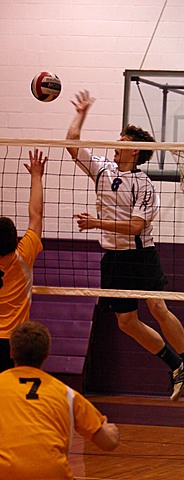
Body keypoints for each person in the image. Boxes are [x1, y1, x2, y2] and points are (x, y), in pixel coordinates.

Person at [66, 90, 184, 402]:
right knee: (127, 322)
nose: (118, 144)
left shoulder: (144, 185)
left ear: (136, 151)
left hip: (141, 256)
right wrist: (82, 113)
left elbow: (136, 226)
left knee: (157, 307)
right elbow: (72, 143)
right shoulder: (102, 169)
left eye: (124, 141)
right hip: (113, 258)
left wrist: (96, 223)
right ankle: (174, 366)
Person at [0, 321, 119, 480]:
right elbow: (109, 442)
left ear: (11, 352)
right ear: (47, 354)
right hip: (52, 473)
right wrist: (110, 429)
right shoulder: (66, 393)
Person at [0, 149, 47, 373]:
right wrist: (36, 176)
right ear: (16, 239)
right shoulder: (24, 255)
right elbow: (35, 215)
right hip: (13, 343)